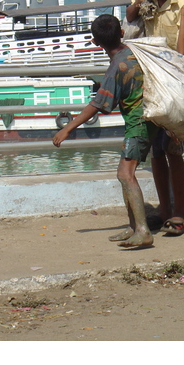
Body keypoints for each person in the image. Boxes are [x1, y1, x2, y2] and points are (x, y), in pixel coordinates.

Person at [53, 14, 157, 248]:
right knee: (124, 173)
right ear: (122, 32)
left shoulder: (115, 68)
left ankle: (142, 230)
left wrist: (67, 129)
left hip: (138, 123)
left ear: (95, 42)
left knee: (125, 174)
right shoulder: (134, 53)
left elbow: (97, 104)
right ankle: (133, 227)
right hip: (151, 118)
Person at [125, 0, 184, 236]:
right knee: (157, 152)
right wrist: (137, 5)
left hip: (176, 88)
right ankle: (164, 208)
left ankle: (179, 210)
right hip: (150, 85)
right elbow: (130, 17)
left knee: (173, 149)